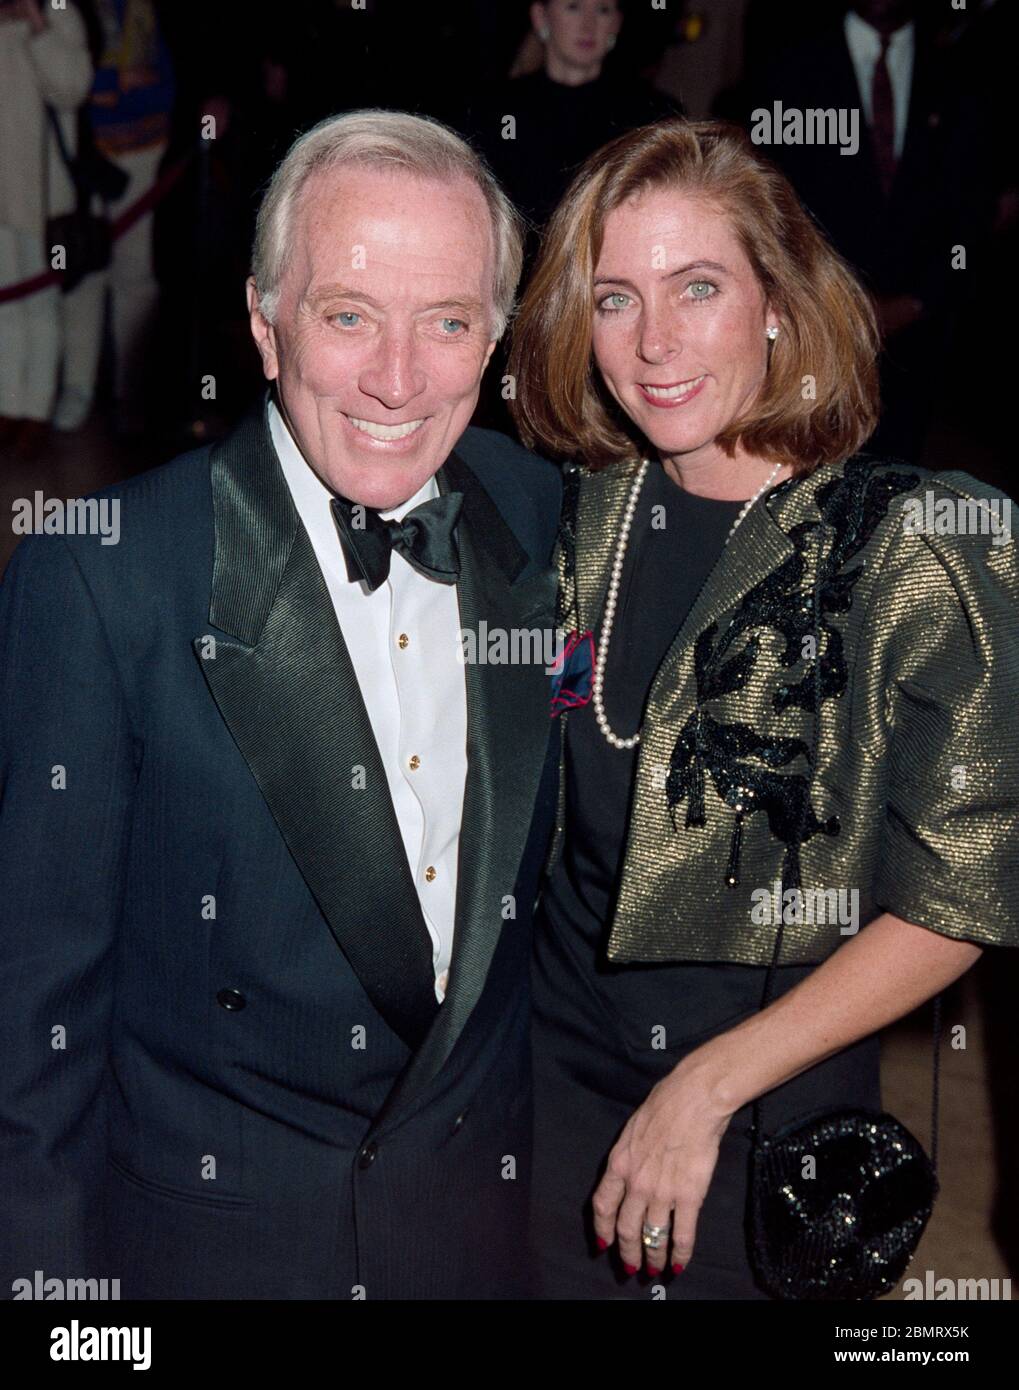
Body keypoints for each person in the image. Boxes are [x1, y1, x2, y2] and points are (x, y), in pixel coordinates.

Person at [0, 110, 561, 1300]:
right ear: (264, 323)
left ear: (496, 334)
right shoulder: (106, 574)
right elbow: (27, 1028)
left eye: (447, 322)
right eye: (348, 315)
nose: (398, 379)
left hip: (475, 1246)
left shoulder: (539, 517)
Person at [508, 117, 1019, 1299]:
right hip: (545, 1097)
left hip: (766, 1129)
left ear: (777, 300)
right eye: (615, 298)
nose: (654, 342)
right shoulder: (564, 523)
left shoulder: (915, 550)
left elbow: (958, 898)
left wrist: (705, 1086)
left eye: (698, 287)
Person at [470, 0, 680, 232]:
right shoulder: (495, 110)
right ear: (541, 17)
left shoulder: (651, 113)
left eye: (603, 10)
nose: (588, 26)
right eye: (573, 7)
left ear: (616, 23)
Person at [0, 0, 92, 457]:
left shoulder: (60, 13)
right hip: (3, 194)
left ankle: (35, 410)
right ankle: (9, 407)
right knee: (7, 308)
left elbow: (73, 87)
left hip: (43, 196)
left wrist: (38, 27)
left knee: (40, 305)